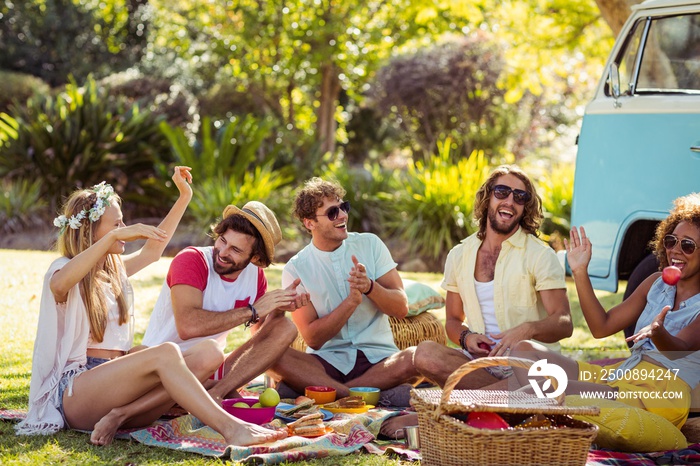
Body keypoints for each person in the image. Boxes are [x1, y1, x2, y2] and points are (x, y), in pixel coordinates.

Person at [15, 167, 286, 447]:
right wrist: (110, 239)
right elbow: (59, 286)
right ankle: (231, 429)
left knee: (209, 352)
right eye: (116, 225)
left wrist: (184, 196)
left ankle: (122, 415)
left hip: (116, 381)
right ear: (91, 231)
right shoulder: (62, 270)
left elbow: (152, 251)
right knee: (165, 352)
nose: (124, 230)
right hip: (75, 393)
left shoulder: (112, 271)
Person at [510, 193, 700, 428]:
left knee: (550, 386)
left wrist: (657, 331)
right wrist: (580, 271)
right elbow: (601, 327)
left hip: (659, 392)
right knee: (523, 351)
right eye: (671, 241)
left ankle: (551, 417)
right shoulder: (654, 282)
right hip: (624, 375)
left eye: (688, 245)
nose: (676, 250)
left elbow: (678, 351)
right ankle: (555, 413)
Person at [413, 164, 573, 389]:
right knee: (425, 354)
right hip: (482, 363)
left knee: (528, 371)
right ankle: (509, 396)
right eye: (501, 192)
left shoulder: (540, 254)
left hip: (526, 363)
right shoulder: (459, 254)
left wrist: (528, 329)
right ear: (488, 197)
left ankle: (495, 397)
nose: (509, 201)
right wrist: (467, 338)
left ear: (525, 208)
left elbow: (564, 323)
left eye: (520, 197)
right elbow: (452, 321)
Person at [269, 177, 421, 406]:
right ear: (309, 223)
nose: (343, 216)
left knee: (414, 358)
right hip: (327, 362)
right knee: (271, 354)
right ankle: (362, 395)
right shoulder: (296, 268)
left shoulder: (370, 244)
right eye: (332, 212)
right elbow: (313, 339)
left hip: (379, 360)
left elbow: (401, 307)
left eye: (343, 207)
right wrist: (350, 302)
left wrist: (370, 287)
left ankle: (330, 394)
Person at [142, 201, 306, 404]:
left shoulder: (255, 276)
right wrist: (251, 310)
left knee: (285, 328)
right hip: (163, 370)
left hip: (212, 368)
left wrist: (279, 309)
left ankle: (215, 393)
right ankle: (202, 396)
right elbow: (188, 326)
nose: (222, 252)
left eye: (235, 249)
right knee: (210, 352)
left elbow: (261, 336)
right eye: (222, 240)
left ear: (254, 257)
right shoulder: (192, 260)